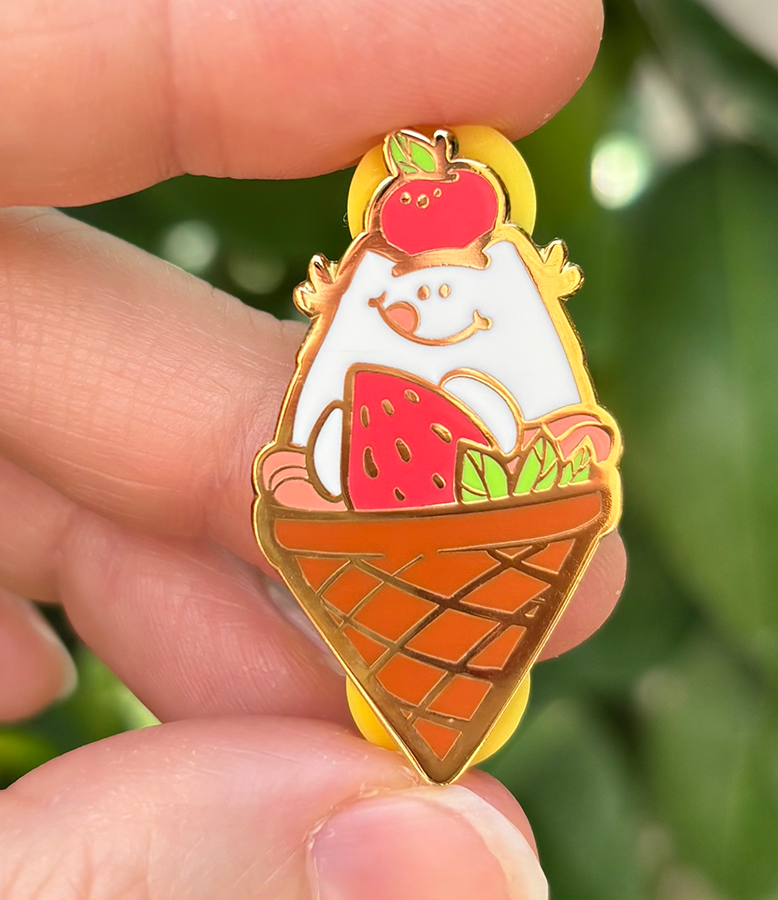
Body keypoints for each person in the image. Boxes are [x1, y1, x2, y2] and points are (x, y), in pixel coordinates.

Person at [0, 0, 625, 896]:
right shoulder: (373, 307)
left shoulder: (500, 291)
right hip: (365, 510)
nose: (423, 307)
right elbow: (340, 404)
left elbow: (544, 403)